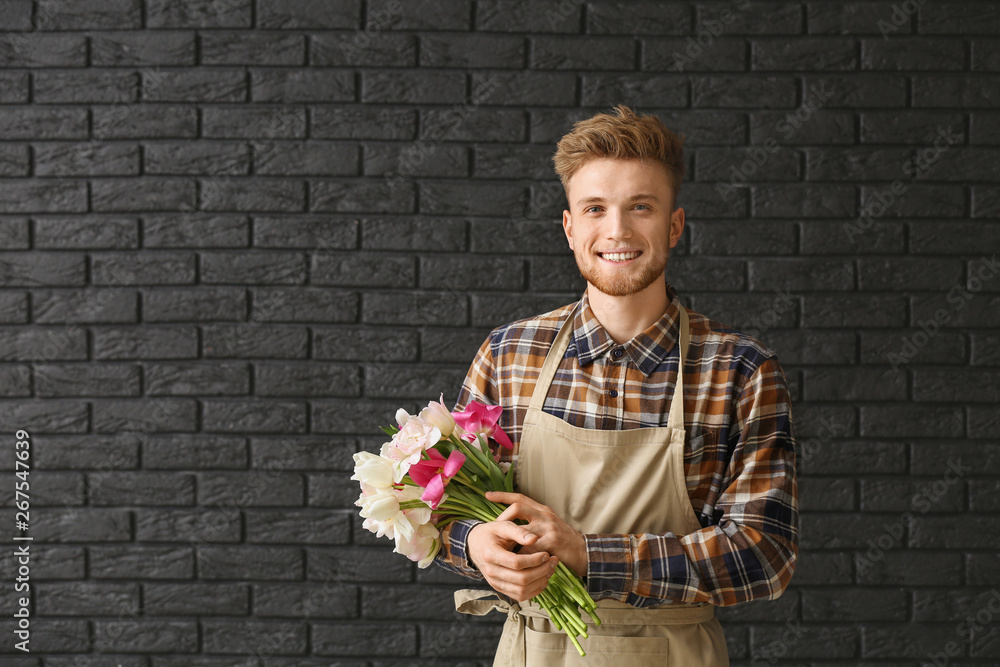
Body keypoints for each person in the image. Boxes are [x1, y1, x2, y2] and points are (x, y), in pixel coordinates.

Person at [434, 105, 799, 666]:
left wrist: (587, 555)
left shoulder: (740, 369)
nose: (618, 231)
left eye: (641, 208)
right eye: (596, 209)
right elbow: (446, 509)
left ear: (673, 225)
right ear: (570, 227)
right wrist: (474, 546)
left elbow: (765, 555)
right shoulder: (508, 354)